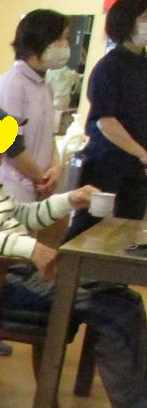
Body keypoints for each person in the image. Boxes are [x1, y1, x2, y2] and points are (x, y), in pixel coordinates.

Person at [0, 101, 147, 408]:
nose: (6, 144)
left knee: (122, 297)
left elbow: (22, 216)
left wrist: (70, 200)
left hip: (12, 276)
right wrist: (30, 249)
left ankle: (135, 404)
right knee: (114, 307)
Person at [65, 0, 147, 241]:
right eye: (145, 18)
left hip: (136, 170)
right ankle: (63, 265)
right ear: (127, 22)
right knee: (88, 228)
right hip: (106, 164)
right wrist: (142, 154)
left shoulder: (143, 65)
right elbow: (105, 121)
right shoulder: (109, 67)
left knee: (127, 232)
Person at [0, 9, 70, 203]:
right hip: (11, 187)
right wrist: (40, 177)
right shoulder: (12, 84)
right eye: (60, 38)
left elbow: (48, 136)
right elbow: (8, 142)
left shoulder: (44, 86)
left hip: (36, 186)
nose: (66, 45)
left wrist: (55, 168)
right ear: (39, 41)